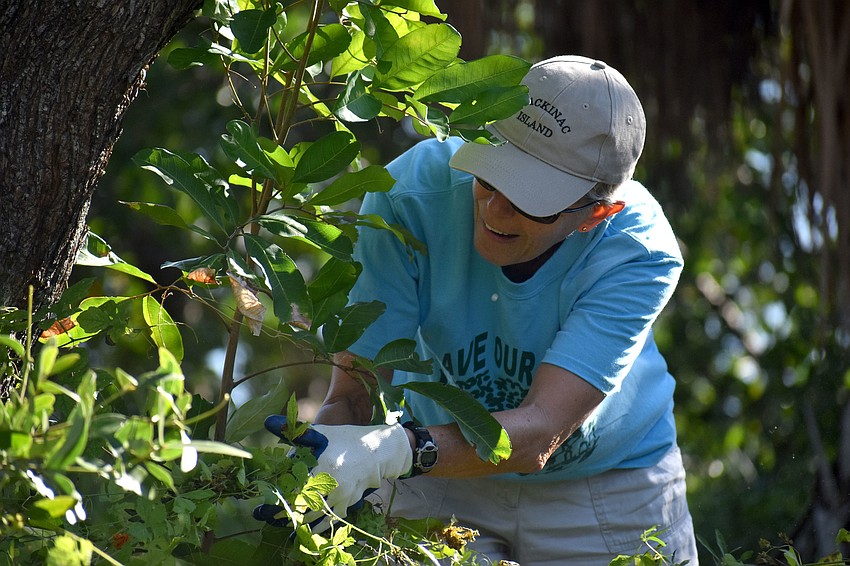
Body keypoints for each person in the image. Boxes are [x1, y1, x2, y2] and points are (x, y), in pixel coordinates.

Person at [257, 55, 699, 565]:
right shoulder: (407, 196)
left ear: (597, 212)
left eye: (532, 201)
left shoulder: (639, 251)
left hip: (608, 483)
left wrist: (394, 451)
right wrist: (324, 458)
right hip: (439, 477)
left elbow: (541, 430)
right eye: (489, 177)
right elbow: (356, 392)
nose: (494, 211)